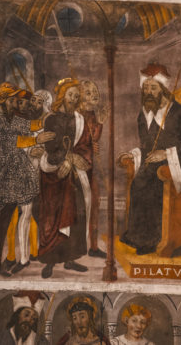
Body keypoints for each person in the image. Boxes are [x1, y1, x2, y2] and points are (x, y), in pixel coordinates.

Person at [119, 63, 181, 255]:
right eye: (146, 88)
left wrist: (167, 154)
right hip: (152, 164)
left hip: (176, 165)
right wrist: (135, 154)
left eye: (153, 88)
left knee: (148, 186)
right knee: (138, 184)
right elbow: (146, 146)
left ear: (162, 89)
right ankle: (137, 235)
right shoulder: (143, 114)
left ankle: (150, 241)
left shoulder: (177, 113)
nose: (149, 92)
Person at [0, 84, 53, 276]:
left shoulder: (11, 116)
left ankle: (8, 259)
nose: (15, 103)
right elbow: (12, 142)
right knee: (8, 213)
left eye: (16, 100)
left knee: (17, 210)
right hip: (8, 170)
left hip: (18, 168)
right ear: (3, 100)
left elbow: (30, 126)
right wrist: (36, 140)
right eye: (12, 100)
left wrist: (50, 118)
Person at [35, 78, 89, 278]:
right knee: (51, 217)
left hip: (72, 173)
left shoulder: (79, 120)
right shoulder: (51, 119)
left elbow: (84, 145)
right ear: (62, 96)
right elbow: (50, 147)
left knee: (74, 215)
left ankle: (70, 259)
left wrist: (73, 159)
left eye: (76, 96)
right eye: (70, 95)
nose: (73, 99)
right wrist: (64, 160)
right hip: (53, 174)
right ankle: (49, 262)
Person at [78, 80, 106, 258]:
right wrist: (90, 144)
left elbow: (94, 138)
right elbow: (78, 140)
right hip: (77, 168)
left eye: (94, 91)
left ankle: (93, 247)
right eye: (88, 93)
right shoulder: (76, 115)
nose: (93, 95)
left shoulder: (93, 115)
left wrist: (100, 123)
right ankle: (73, 250)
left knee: (95, 204)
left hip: (89, 167)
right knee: (79, 208)